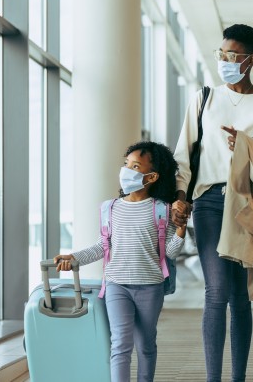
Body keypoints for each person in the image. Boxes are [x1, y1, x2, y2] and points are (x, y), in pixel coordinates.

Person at [173, 24, 253, 382]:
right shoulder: (204, 97)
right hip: (209, 201)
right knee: (217, 290)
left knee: (239, 294)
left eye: (232, 55)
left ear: (250, 59)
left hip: (247, 203)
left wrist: (248, 144)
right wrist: (180, 196)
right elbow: (183, 154)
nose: (224, 60)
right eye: (220, 54)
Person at [54, 141, 187, 382]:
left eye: (135, 166)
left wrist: (180, 230)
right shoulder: (110, 209)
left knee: (146, 345)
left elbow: (171, 252)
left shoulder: (161, 210)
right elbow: (100, 247)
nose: (126, 171)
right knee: (120, 345)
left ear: (152, 176)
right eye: (126, 164)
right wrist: (73, 258)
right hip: (117, 286)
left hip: (150, 287)